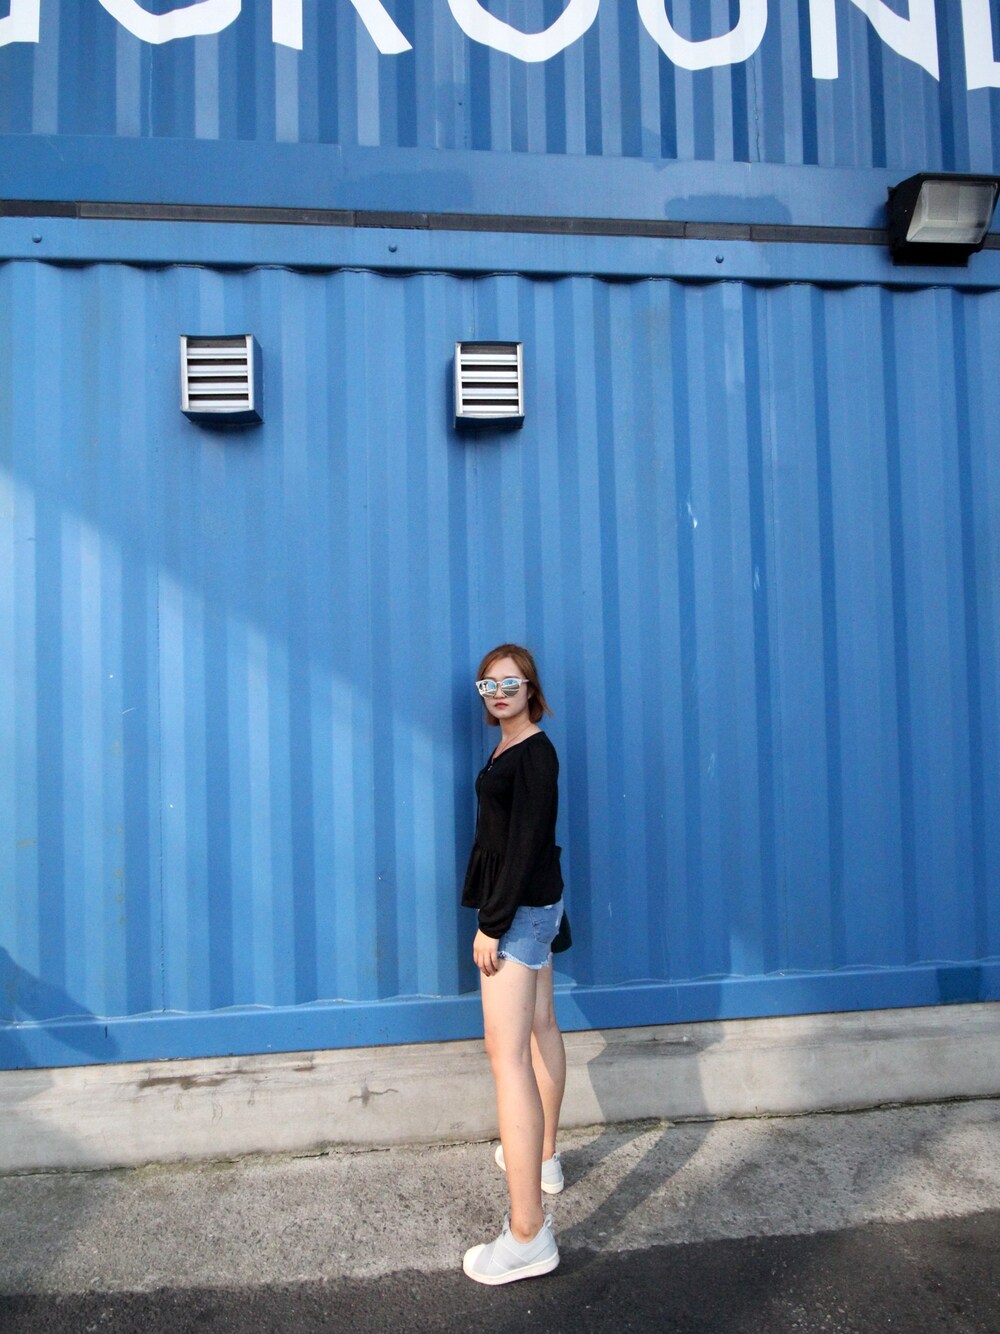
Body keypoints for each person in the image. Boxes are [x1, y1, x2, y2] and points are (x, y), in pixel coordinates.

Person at [460, 643, 568, 1286]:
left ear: (531, 688)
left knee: (507, 1060)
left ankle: (527, 1232)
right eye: (488, 685)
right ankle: (545, 1157)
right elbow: (529, 843)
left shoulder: (535, 753)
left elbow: (527, 846)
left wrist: (492, 925)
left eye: (510, 682)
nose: (498, 693)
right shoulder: (511, 746)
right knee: (541, 1026)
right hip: (534, 908)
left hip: (516, 915)